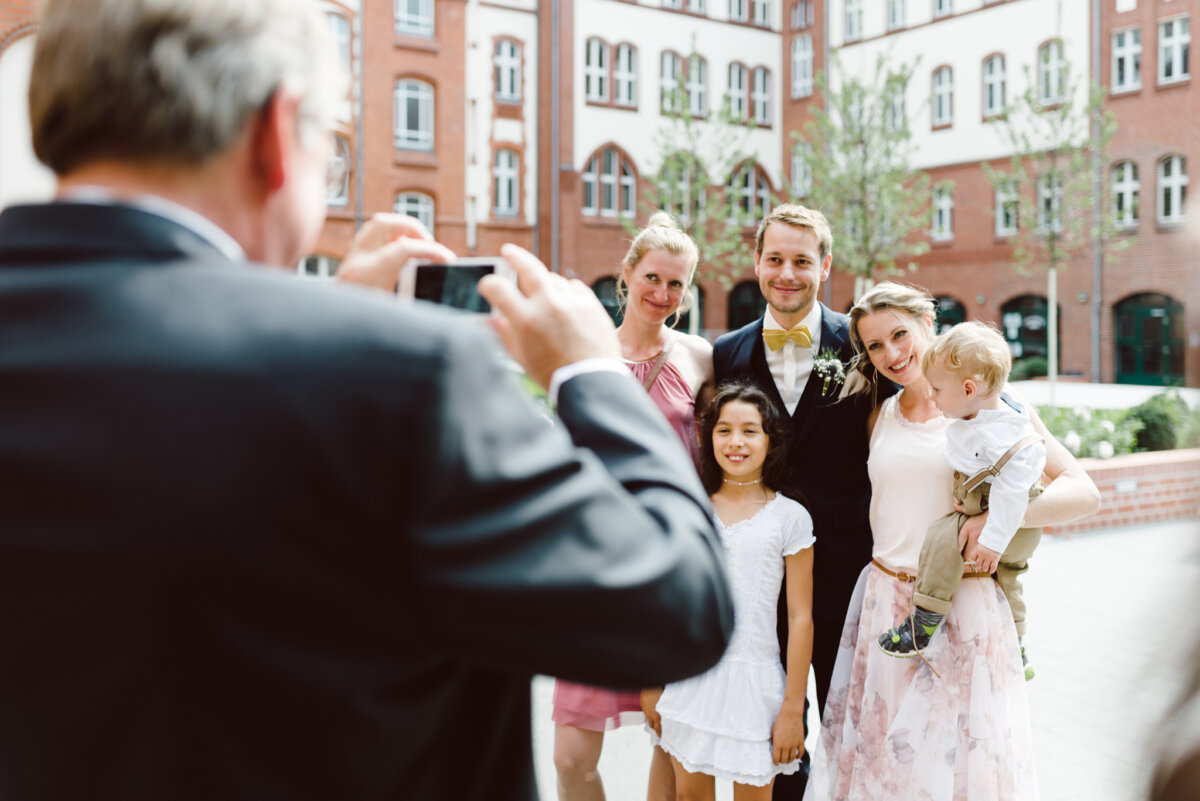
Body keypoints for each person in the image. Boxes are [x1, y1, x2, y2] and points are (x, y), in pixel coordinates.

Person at [0, 2, 735, 800]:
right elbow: (678, 606)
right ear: (276, 134)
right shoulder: (407, 379)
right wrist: (589, 374)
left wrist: (311, 324)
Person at [805, 282, 1100, 801]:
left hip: (959, 607)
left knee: (950, 771)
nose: (892, 354)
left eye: (900, 334)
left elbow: (1084, 493)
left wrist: (997, 519)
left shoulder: (992, 409)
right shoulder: (880, 412)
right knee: (886, 768)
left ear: (928, 322)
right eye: (875, 345)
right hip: (883, 604)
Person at [712, 204, 887, 799]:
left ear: (826, 265)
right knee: (776, 730)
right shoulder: (728, 352)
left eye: (803, 261)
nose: (788, 273)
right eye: (776, 259)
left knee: (855, 722)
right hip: (763, 574)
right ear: (757, 262)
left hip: (847, 568)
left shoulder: (860, 343)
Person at [551, 211, 712, 801]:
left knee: (673, 746)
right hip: (594, 571)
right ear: (627, 275)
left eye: (675, 284)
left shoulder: (699, 358)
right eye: (652, 278)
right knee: (571, 759)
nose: (662, 294)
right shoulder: (583, 353)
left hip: (671, 568)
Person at [645, 382, 814, 801]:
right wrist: (651, 683)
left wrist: (793, 707)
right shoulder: (690, 505)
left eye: (750, 430)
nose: (735, 442)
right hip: (690, 680)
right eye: (724, 430)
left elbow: (800, 617)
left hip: (756, 685)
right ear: (707, 436)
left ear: (770, 440)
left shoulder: (789, 517)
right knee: (689, 798)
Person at [876, 321, 1047, 683]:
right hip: (1006, 515)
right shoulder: (996, 408)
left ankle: (923, 623)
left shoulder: (1002, 434)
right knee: (1011, 580)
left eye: (937, 389)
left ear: (969, 389)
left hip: (1007, 517)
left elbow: (1013, 490)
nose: (933, 395)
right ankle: (1018, 645)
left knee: (941, 538)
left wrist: (993, 538)